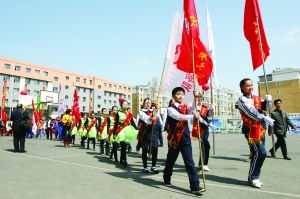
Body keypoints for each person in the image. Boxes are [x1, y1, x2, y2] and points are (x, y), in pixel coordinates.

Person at [163, 87, 204, 194]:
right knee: (170, 161)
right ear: (173, 96)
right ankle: (166, 177)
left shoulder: (185, 107)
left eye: (182, 94)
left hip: (185, 137)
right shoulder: (170, 108)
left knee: (189, 162)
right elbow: (179, 116)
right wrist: (193, 116)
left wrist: (195, 97)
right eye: (178, 94)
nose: (181, 96)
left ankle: (195, 186)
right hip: (174, 139)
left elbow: (193, 109)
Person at [236, 78, 274, 188]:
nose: (250, 87)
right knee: (261, 153)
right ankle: (254, 177)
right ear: (242, 87)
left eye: (251, 85)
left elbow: (267, 108)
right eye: (247, 85)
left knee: (256, 154)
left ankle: (252, 177)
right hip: (250, 129)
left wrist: (268, 101)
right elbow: (251, 113)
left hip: (261, 128)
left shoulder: (257, 98)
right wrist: (264, 117)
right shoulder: (242, 99)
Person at [137, 98, 162, 174]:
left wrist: (160, 126)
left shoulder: (154, 111)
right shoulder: (141, 112)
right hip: (145, 132)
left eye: (149, 103)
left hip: (154, 132)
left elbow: (159, 119)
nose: (148, 104)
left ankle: (153, 166)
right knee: (145, 149)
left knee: (155, 149)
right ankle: (145, 167)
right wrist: (151, 118)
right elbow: (145, 118)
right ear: (144, 103)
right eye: (146, 102)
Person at [192, 93, 213, 171]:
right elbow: (198, 117)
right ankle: (204, 164)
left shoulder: (204, 107)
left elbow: (210, 115)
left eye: (200, 98)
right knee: (205, 145)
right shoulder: (193, 107)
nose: (199, 99)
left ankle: (202, 163)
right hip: (198, 128)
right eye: (197, 98)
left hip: (205, 129)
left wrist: (211, 109)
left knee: (203, 146)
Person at [114, 98, 138, 167]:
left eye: (126, 104)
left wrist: (137, 129)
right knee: (123, 146)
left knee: (125, 146)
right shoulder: (118, 113)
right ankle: (124, 159)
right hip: (121, 131)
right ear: (121, 105)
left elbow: (132, 122)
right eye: (124, 104)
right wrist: (114, 133)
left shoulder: (129, 114)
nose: (125, 106)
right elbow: (116, 124)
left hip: (128, 130)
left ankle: (122, 158)